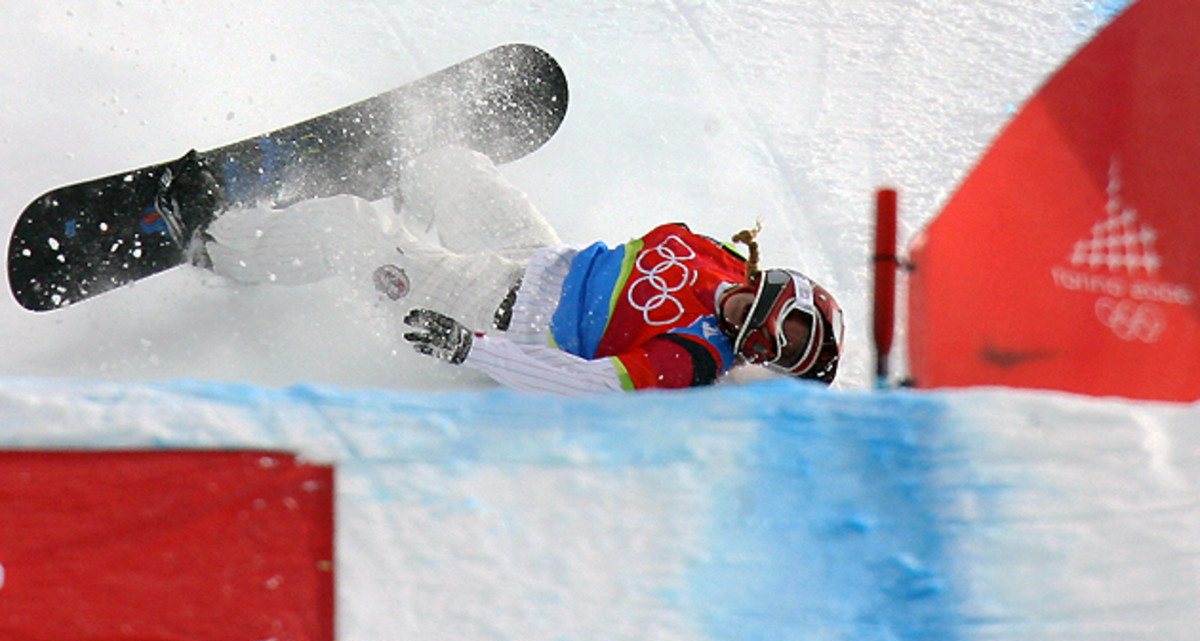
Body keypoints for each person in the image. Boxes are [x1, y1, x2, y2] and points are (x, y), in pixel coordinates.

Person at [189, 147, 844, 394]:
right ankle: (391, 172)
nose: (766, 342)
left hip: (489, 315)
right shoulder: (725, 261)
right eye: (789, 331)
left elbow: (586, 383)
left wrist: (474, 348)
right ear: (790, 290)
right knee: (453, 167)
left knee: (349, 229)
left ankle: (211, 238)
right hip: (534, 261)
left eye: (780, 354)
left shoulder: (693, 354)